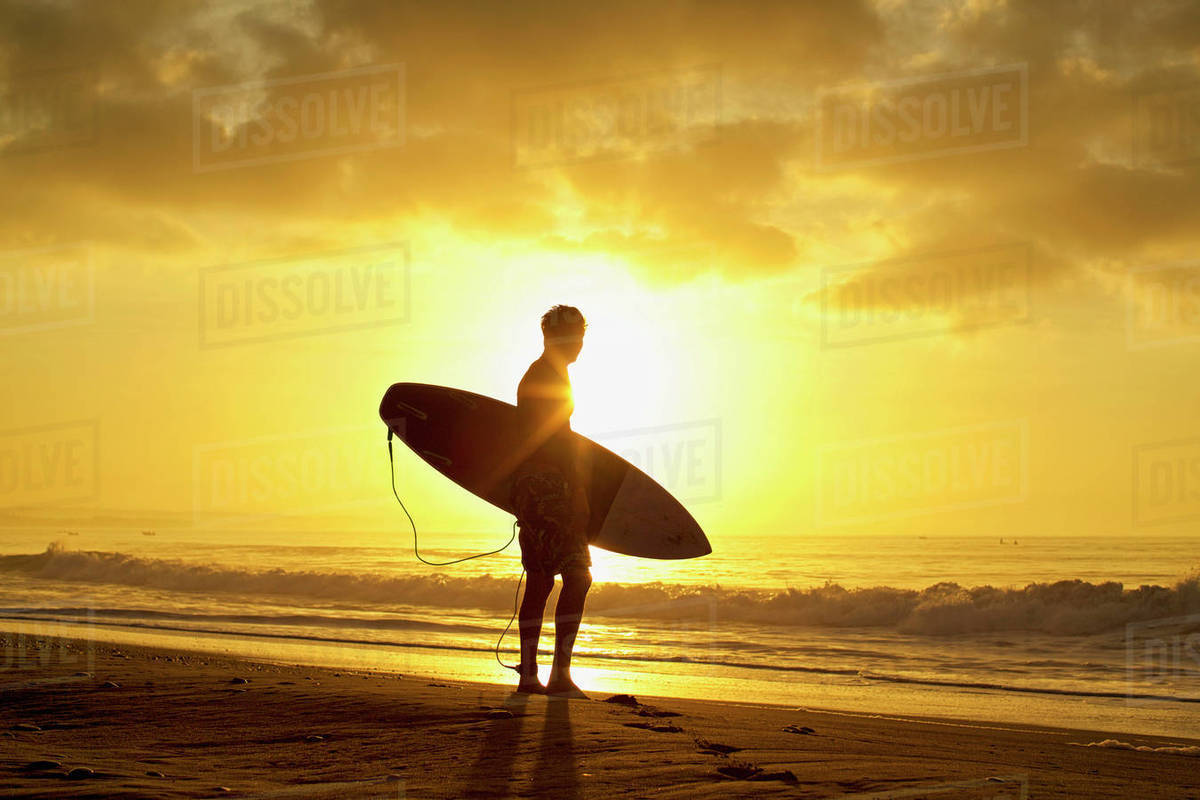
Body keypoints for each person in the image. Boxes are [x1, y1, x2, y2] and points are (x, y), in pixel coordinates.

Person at [509, 305, 592, 698]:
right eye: (573, 337)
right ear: (553, 338)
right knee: (557, 579)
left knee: (565, 579)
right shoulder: (541, 376)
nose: (579, 344)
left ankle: (550, 673)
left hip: (544, 487)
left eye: (581, 336)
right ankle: (537, 674)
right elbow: (553, 438)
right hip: (545, 489)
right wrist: (576, 488)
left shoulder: (551, 374)